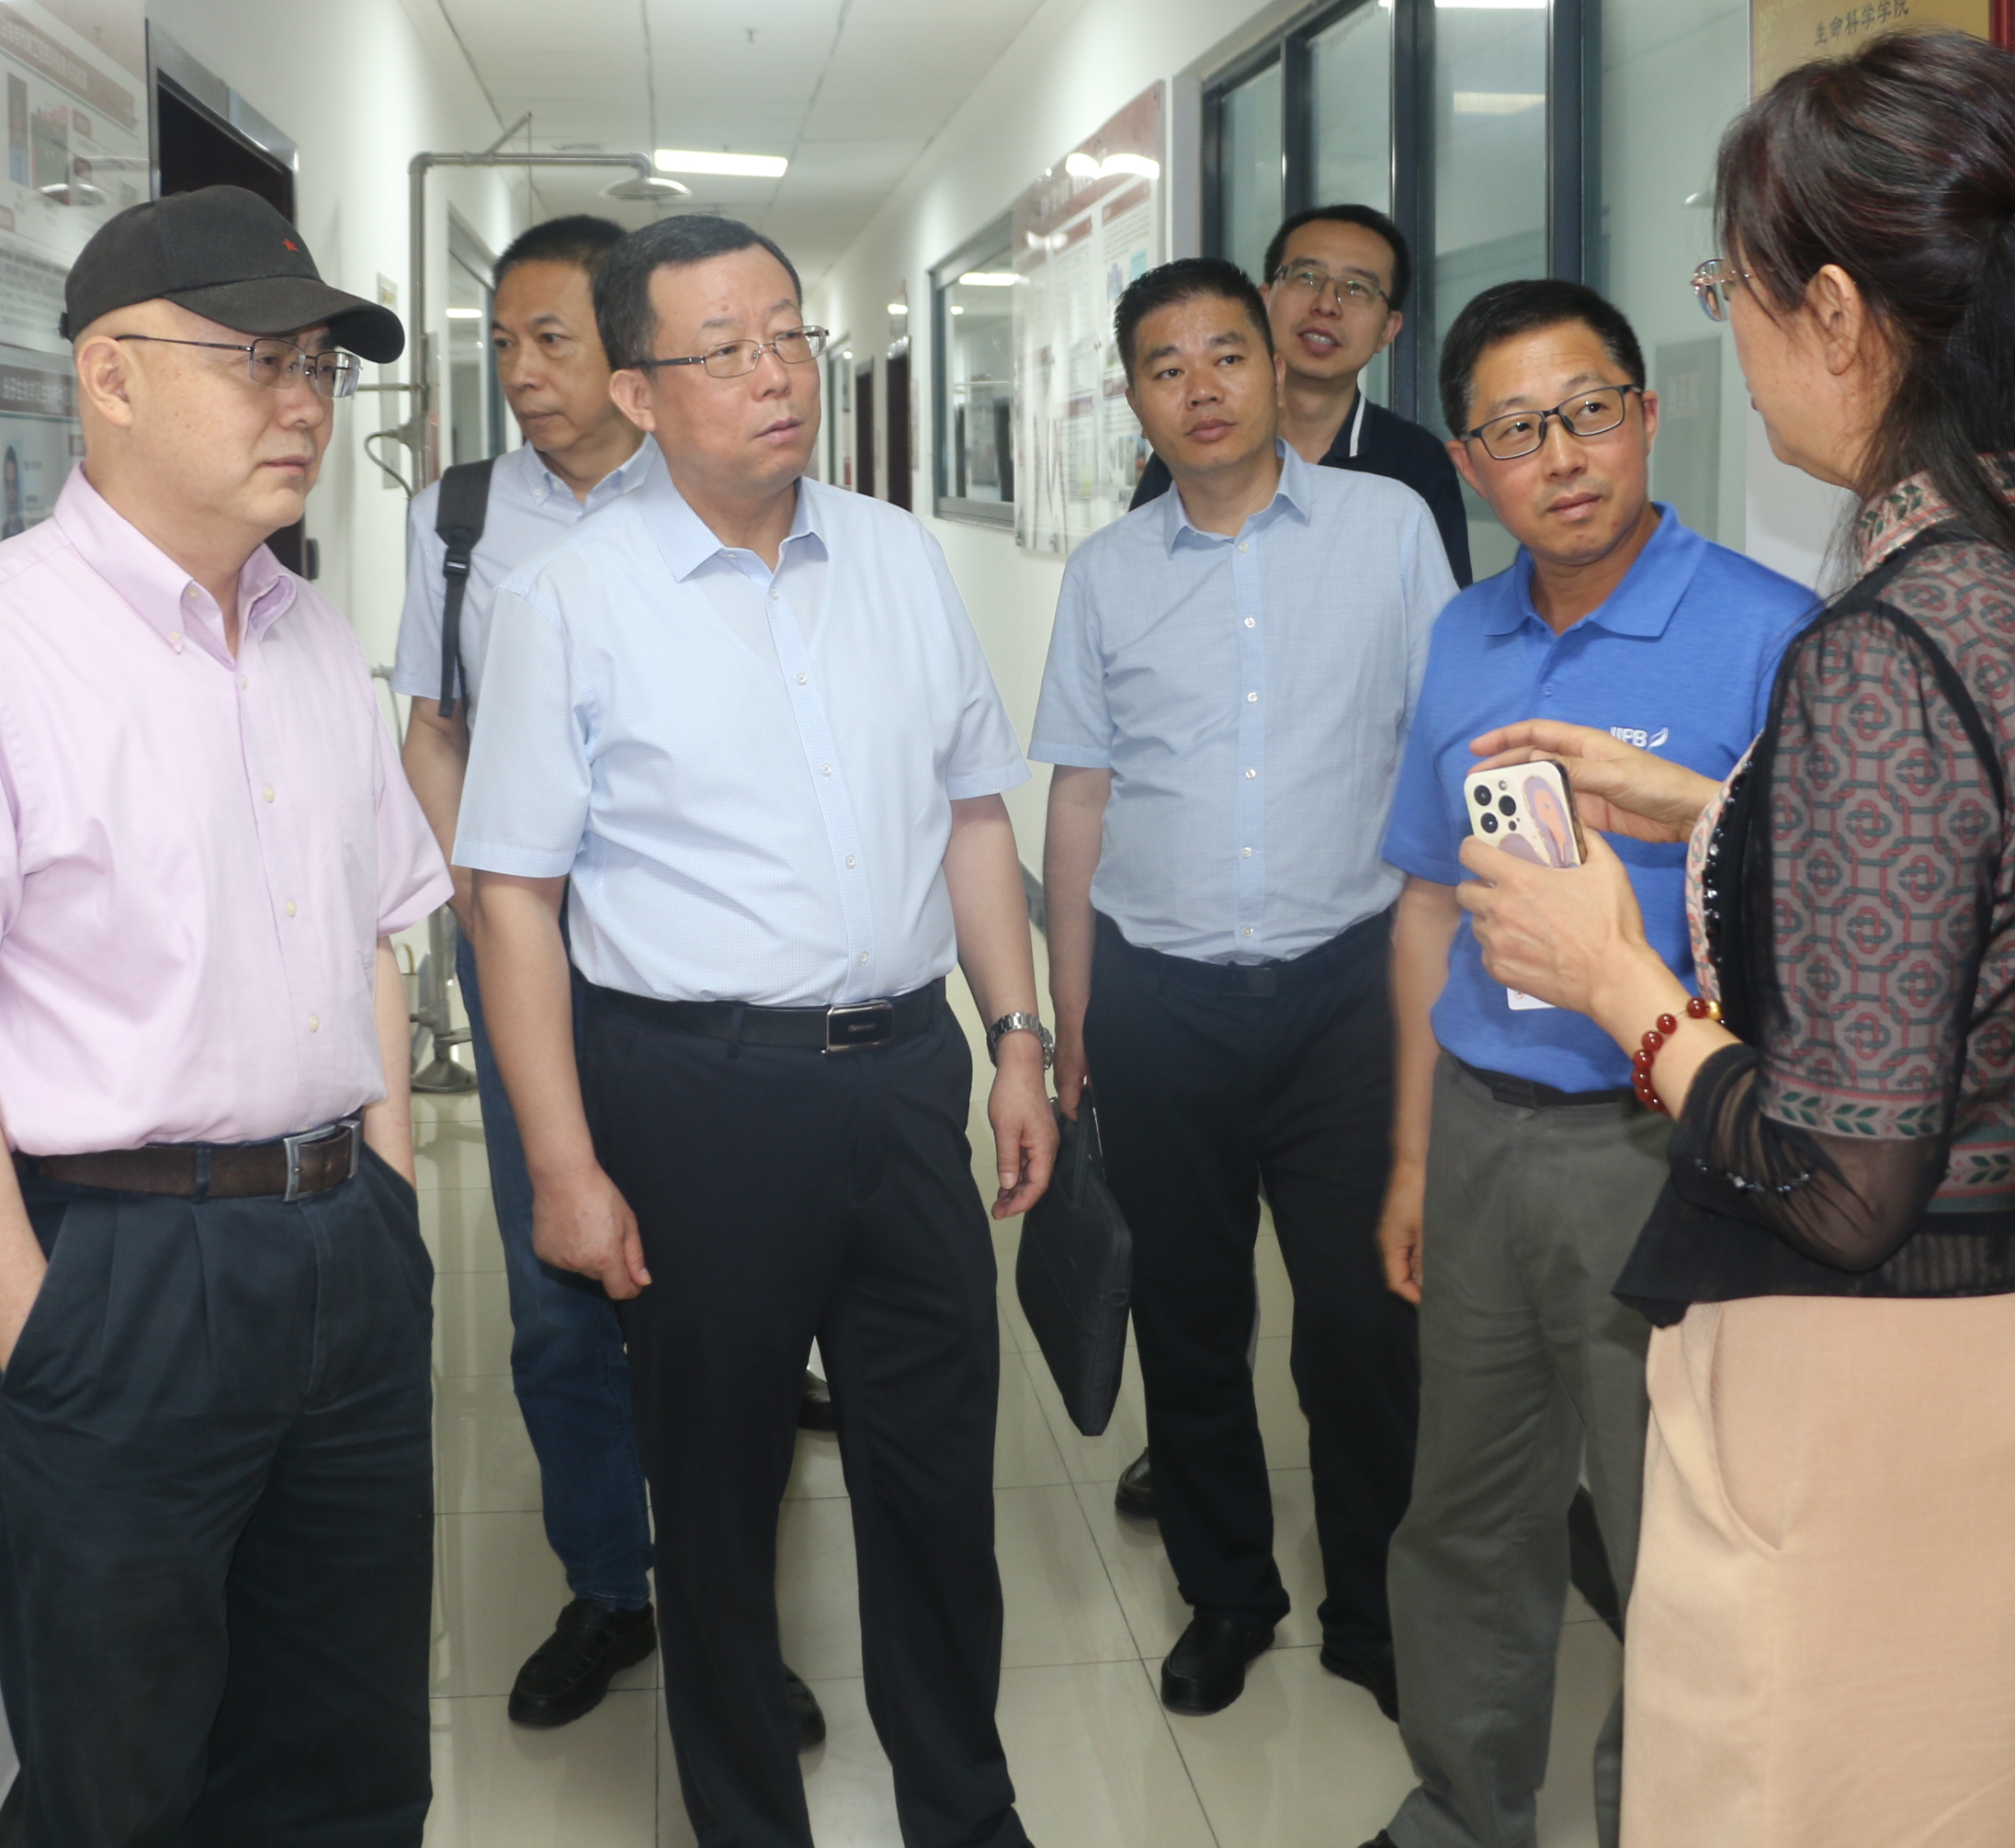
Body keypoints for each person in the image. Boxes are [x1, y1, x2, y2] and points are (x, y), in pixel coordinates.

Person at [1453, 32, 2015, 1847]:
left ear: (1832, 312)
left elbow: (1843, 1177)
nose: (1731, 336)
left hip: (1885, 1411)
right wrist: (1716, 805)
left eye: (1727, 293)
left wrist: (1616, 982)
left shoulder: (1892, 647)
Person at [0, 185, 446, 1847]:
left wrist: (386, 1200)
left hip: (343, 1259)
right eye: (256, 361)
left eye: (318, 366)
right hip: (123, 1271)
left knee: (351, 1765)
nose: (303, 403)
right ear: (110, 375)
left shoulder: (315, 642)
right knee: (125, 1779)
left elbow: (375, 941)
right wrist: (43, 1335)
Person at [455, 212, 1055, 1848]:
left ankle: (964, 1810)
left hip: (906, 1075)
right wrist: (562, 1166)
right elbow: (512, 898)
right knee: (714, 1503)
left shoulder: (899, 557)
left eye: (787, 334)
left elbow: (973, 813)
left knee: (937, 1483)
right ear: (640, 394)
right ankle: (743, 1821)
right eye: (722, 351)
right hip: (694, 1093)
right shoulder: (568, 600)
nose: (774, 373)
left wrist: (1015, 1039)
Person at [1361, 280, 1815, 1848]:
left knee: (1660, 1528)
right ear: (1466, 462)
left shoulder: (1772, 634)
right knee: (1466, 1509)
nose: (1559, 456)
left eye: (1587, 412)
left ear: (1646, 414)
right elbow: (1428, 904)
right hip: (1482, 1132)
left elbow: (1812, 926)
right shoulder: (1461, 634)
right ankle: (1461, 1806)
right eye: (1513, 430)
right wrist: (1413, 1158)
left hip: (1662, 1145)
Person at [395, 212, 811, 1738]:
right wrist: (487, 896)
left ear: (631, 359)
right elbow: (432, 725)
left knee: (721, 1297)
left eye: (553, 338)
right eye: (502, 343)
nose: (523, 371)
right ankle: (607, 1582)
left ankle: (731, 1615)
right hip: (531, 966)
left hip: (691, 973)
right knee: (558, 1284)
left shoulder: (715, 491)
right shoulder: (456, 518)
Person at [1032, 256, 1449, 1720]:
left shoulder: (1390, 530)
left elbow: (1443, 746)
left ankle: (1375, 1608)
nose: (1200, 388)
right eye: (1166, 366)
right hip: (1160, 998)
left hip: (1349, 992)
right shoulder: (1107, 574)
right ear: (1134, 399)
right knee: (1189, 1315)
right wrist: (1073, 1017)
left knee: (1365, 1322)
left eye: (1226, 354)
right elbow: (1080, 798)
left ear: (1277, 368)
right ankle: (1228, 1594)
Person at [1133, 206, 1473, 586]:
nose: (1326, 304)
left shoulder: (1416, 463)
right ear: (1264, 302)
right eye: (1307, 277)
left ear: (1387, 331)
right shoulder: (1202, 442)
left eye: (1357, 287)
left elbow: (1442, 611)